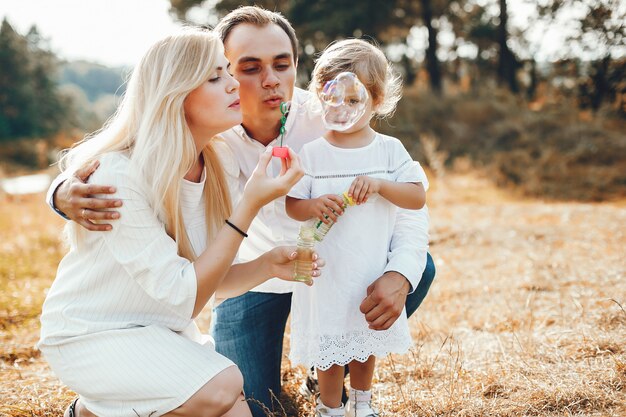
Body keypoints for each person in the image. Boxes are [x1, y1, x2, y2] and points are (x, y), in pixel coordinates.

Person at [46, 6, 436, 417]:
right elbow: (128, 153)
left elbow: (408, 204)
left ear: (296, 66)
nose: (270, 81)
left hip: (334, 273)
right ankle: (103, 403)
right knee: (250, 401)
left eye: (281, 65)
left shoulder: (335, 112)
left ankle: (328, 365)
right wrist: (60, 193)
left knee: (419, 268)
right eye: (247, 68)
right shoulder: (211, 135)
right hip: (250, 281)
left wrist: (401, 274)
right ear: (222, 69)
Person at [37, 28, 320, 417]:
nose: (233, 84)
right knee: (225, 384)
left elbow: (205, 275)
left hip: (159, 331)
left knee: (238, 407)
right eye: (215, 77)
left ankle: (95, 413)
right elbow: (183, 296)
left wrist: (267, 264)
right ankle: (92, 409)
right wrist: (249, 205)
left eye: (228, 72)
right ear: (176, 92)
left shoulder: (215, 160)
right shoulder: (119, 176)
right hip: (93, 334)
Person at [285, 39, 427, 417]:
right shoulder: (313, 153)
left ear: (377, 101)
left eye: (354, 100)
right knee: (330, 343)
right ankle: (330, 407)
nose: (342, 109)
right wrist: (313, 205)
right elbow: (293, 205)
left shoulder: (389, 151)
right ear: (320, 97)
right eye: (333, 98)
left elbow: (416, 197)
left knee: (364, 339)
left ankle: (364, 404)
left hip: (369, 266)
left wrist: (380, 185)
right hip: (328, 272)